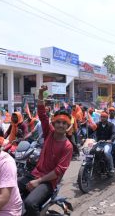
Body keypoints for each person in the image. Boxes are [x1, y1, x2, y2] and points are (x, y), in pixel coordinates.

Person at [18, 85, 73, 216]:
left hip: (48, 182)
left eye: (64, 123)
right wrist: (41, 93)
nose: (60, 125)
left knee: (30, 204)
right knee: (8, 189)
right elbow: (42, 113)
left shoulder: (67, 146)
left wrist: (38, 181)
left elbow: (59, 171)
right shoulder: (49, 132)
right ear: (54, 124)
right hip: (34, 174)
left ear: (68, 126)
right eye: (58, 122)